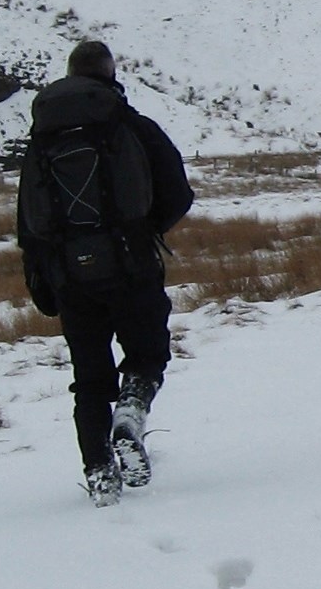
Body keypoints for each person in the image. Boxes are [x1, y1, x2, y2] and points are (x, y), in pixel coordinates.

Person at [16, 40, 194, 501]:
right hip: (130, 264)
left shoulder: (42, 139)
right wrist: (141, 232)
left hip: (70, 276)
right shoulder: (130, 126)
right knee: (147, 355)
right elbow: (178, 192)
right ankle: (130, 414)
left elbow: (28, 220)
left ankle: (99, 475)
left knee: (90, 379)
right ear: (110, 75)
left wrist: (43, 277)